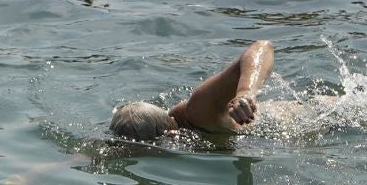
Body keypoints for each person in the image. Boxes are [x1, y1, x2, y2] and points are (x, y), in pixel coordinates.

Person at [111, 39, 275, 140]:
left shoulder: (199, 111)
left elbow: (262, 47)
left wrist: (245, 93)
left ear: (170, 134)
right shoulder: (133, 135)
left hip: (283, 125)